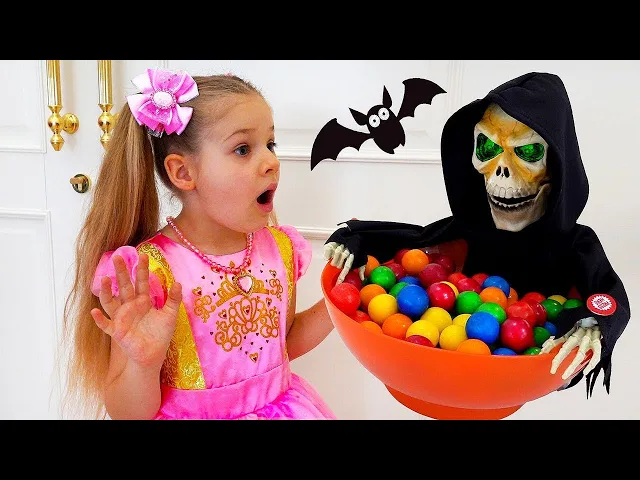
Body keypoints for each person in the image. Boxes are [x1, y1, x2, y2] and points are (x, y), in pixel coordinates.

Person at [324, 72, 630, 397]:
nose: (501, 171)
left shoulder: (574, 243)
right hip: (449, 354)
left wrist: (594, 324)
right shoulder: (474, 227)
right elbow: (416, 238)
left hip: (525, 355)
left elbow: (607, 292)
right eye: (487, 147)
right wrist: (356, 237)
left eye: (527, 152)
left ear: (557, 162)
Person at [61, 68, 336, 420]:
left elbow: (284, 343)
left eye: (270, 144)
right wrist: (142, 364)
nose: (271, 162)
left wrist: (339, 294)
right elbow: (128, 413)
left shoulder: (280, 250)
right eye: (242, 149)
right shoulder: (150, 272)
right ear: (183, 172)